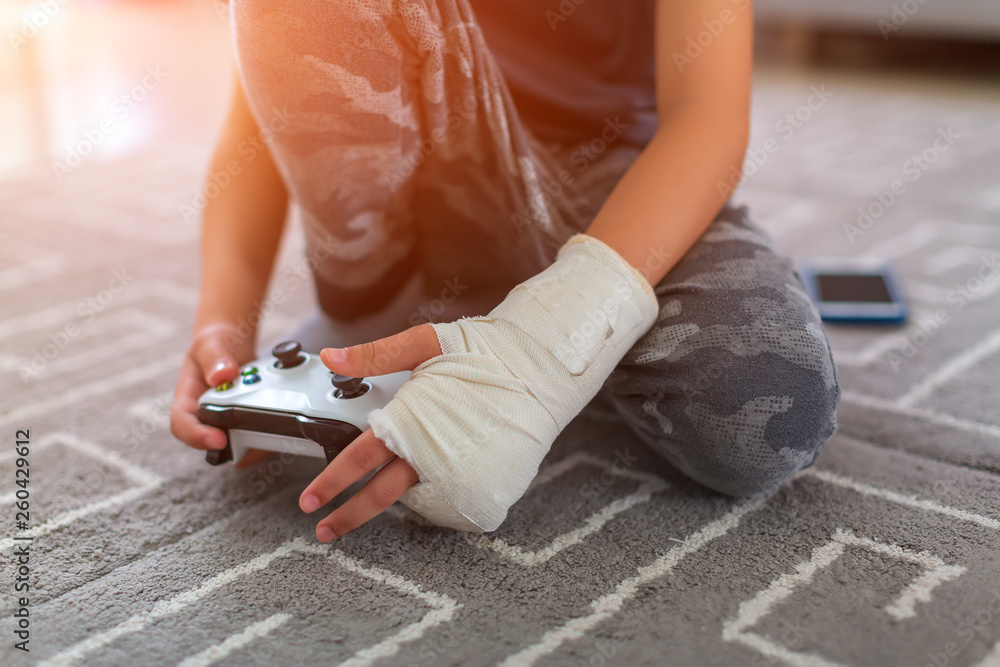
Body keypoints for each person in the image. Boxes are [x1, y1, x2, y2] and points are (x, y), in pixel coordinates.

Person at [170, 0, 840, 540]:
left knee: (766, 414)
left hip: (620, 188)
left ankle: (500, 329)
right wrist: (224, 318)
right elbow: (260, 103)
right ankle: (389, 308)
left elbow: (708, 111)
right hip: (419, 185)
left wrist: (535, 350)